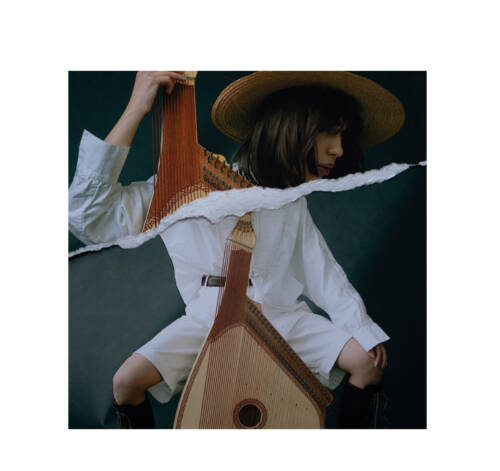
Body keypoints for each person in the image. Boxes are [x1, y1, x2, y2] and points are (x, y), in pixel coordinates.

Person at [69, 71, 403, 429]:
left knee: (366, 364)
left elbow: (322, 272)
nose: (338, 150)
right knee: (126, 382)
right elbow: (88, 215)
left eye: (342, 136)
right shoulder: (182, 185)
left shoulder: (291, 200)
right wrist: (138, 105)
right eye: (328, 132)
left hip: (280, 318)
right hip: (207, 319)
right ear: (289, 127)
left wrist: (362, 329)